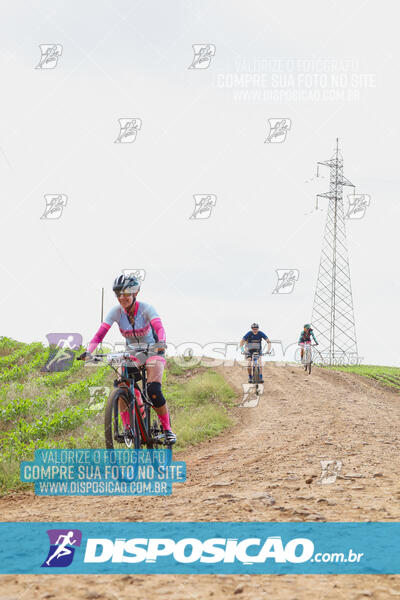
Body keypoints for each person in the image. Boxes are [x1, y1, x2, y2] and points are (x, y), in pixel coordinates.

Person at [78, 274, 176, 444]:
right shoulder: (116, 312)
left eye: (125, 293)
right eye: (118, 294)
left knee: (153, 391)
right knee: (122, 385)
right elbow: (100, 333)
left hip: (153, 351)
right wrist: (89, 351)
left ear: (135, 293)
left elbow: (159, 327)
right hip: (132, 353)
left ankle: (167, 430)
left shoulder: (146, 308)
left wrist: (161, 342)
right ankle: (128, 429)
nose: (121, 297)